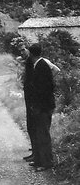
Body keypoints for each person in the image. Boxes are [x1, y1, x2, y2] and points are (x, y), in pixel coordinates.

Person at [27, 43, 55, 172]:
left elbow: (44, 89)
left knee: (43, 134)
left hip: (43, 107)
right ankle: (40, 160)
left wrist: (38, 106)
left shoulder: (41, 66)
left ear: (31, 53)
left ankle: (46, 162)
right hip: (41, 106)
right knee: (39, 133)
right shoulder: (40, 64)